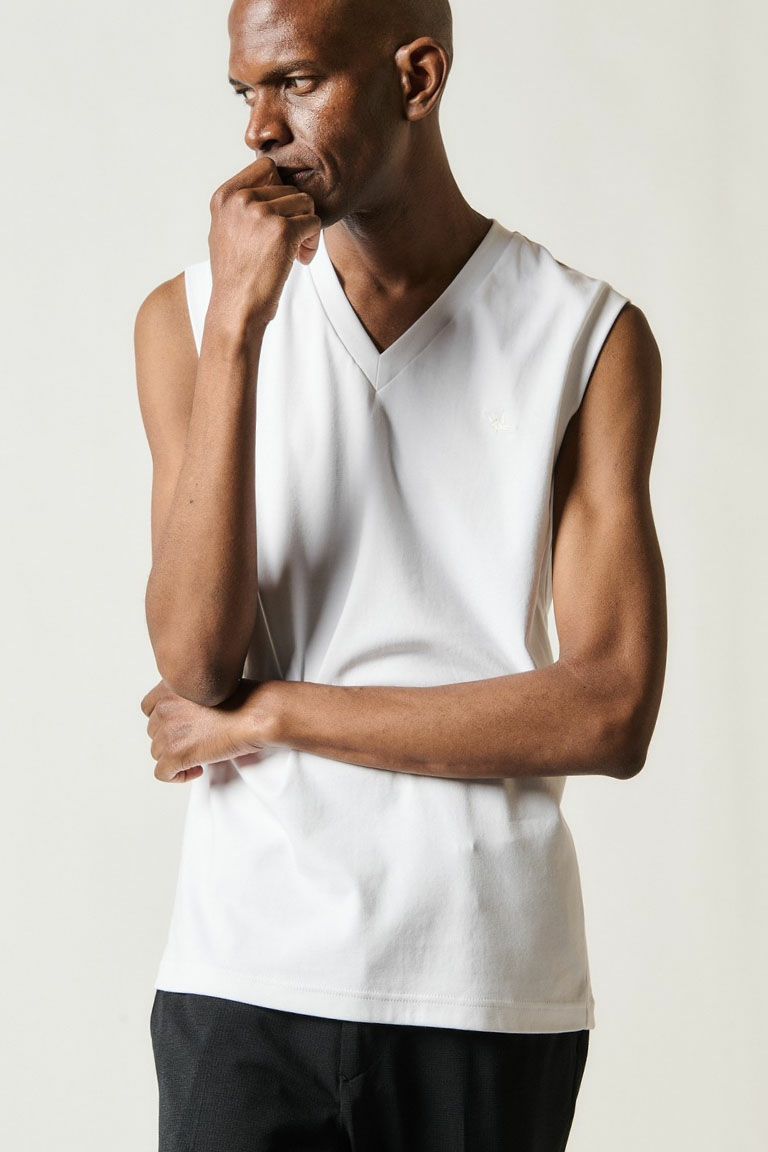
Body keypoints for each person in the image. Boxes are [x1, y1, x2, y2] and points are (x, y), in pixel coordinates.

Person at [135, 0, 667, 1148]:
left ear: (416, 79)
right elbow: (195, 661)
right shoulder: (187, 321)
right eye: (244, 92)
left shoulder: (586, 336)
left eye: (296, 82)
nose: (258, 129)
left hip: (481, 983)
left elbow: (612, 710)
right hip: (244, 974)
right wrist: (238, 329)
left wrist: (274, 716)